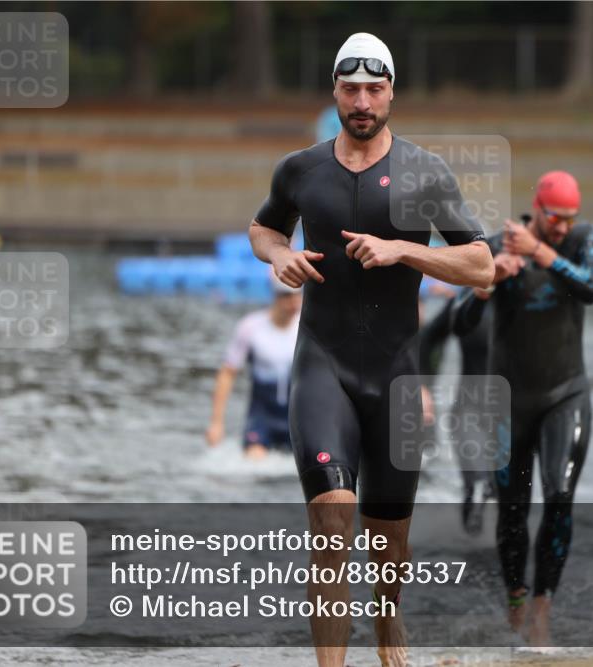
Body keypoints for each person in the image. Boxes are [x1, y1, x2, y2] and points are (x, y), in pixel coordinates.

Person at [248, 32, 492, 667]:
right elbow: (264, 225)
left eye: (374, 89)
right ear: (334, 92)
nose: (362, 101)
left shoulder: (425, 173)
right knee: (331, 526)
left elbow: (482, 265)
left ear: (391, 94)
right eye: (350, 89)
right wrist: (281, 255)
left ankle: (388, 628)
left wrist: (402, 249)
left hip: (398, 377)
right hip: (321, 366)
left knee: (388, 543)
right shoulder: (300, 169)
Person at [453, 170, 593, 647]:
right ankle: (516, 594)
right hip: (508, 403)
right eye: (554, 218)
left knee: (558, 494)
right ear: (536, 208)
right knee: (513, 511)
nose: (562, 226)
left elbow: (592, 286)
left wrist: (542, 253)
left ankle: (543, 609)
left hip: (565, 394)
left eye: (568, 219)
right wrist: (488, 281)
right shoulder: (498, 245)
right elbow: (459, 321)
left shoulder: (582, 241)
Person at [418, 289, 495, 535]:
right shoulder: (464, 301)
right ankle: (471, 551)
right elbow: (427, 340)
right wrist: (423, 388)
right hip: (468, 411)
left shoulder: (527, 297)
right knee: (478, 484)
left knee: (505, 488)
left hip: (513, 415)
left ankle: (504, 555)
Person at [205, 276, 301, 459]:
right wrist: (216, 422)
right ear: (277, 297)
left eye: (298, 297)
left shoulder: (305, 326)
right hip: (262, 413)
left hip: (297, 413)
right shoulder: (250, 327)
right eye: (288, 298)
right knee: (255, 461)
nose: (294, 304)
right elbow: (227, 373)